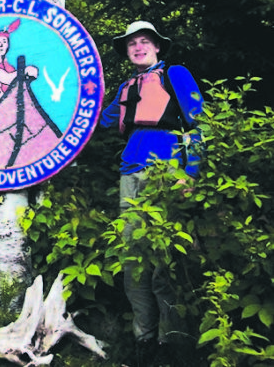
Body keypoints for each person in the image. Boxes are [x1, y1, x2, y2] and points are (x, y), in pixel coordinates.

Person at [100, 21, 203, 367]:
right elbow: (99, 121)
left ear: (158, 47)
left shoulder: (175, 74)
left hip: (167, 173)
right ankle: (145, 342)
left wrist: (190, 172)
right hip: (131, 171)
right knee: (133, 262)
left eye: (145, 41)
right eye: (132, 43)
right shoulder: (127, 87)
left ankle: (174, 343)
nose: (138, 47)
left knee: (165, 263)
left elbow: (199, 123)